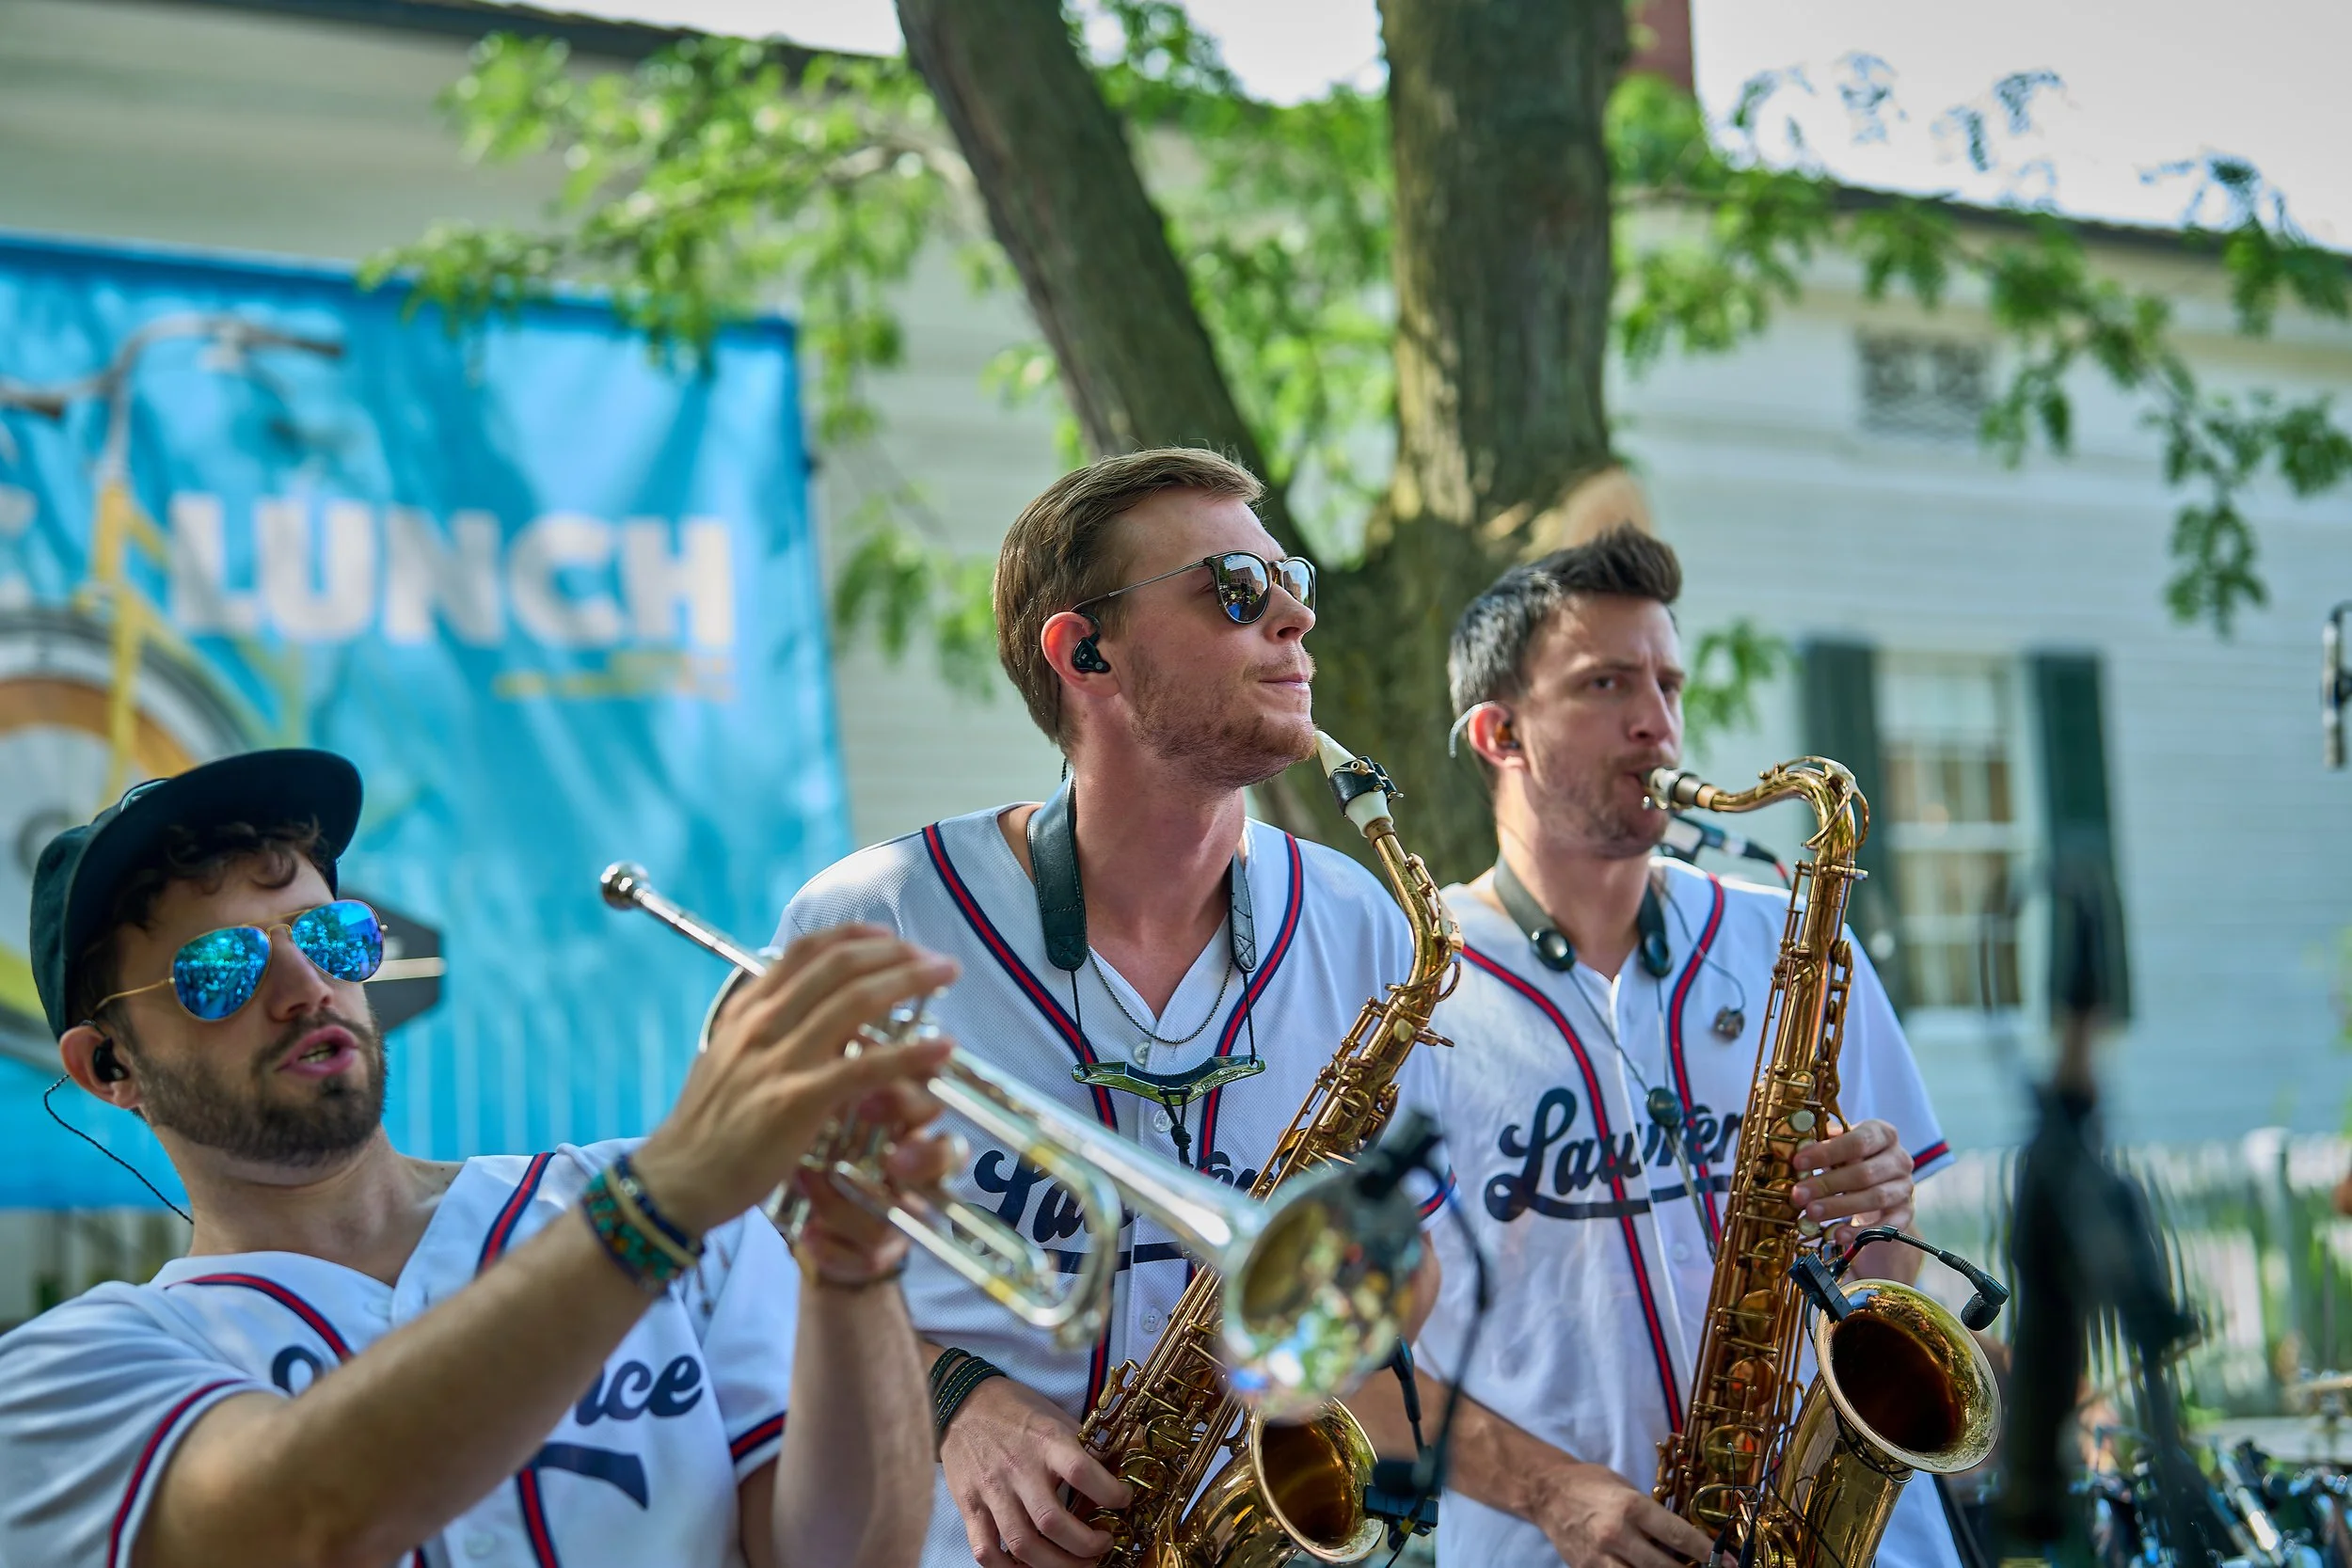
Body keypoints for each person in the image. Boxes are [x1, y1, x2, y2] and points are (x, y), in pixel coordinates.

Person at [0, 748, 956, 1568]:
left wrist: (855, 1266)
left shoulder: (655, 1201)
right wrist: (661, 1199)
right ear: (109, 1066)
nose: (305, 986)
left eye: (330, 934)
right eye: (222, 967)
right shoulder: (70, 1376)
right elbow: (308, 1520)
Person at [782, 448, 1447, 1568]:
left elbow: (1408, 1270)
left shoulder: (1362, 926)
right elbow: (753, 1268)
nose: (1292, 617)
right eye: (1234, 587)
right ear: (1083, 650)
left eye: (1292, 581)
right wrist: (953, 1398)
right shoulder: (870, 922)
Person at [1406, 529, 1963, 1568]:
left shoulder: (1792, 940)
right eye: (1606, 682)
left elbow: (1888, 1277)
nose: (1656, 722)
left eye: (1667, 683)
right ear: (1499, 732)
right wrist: (1549, 1490)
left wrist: (1881, 1214)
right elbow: (1342, 1363)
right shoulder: (1403, 986)